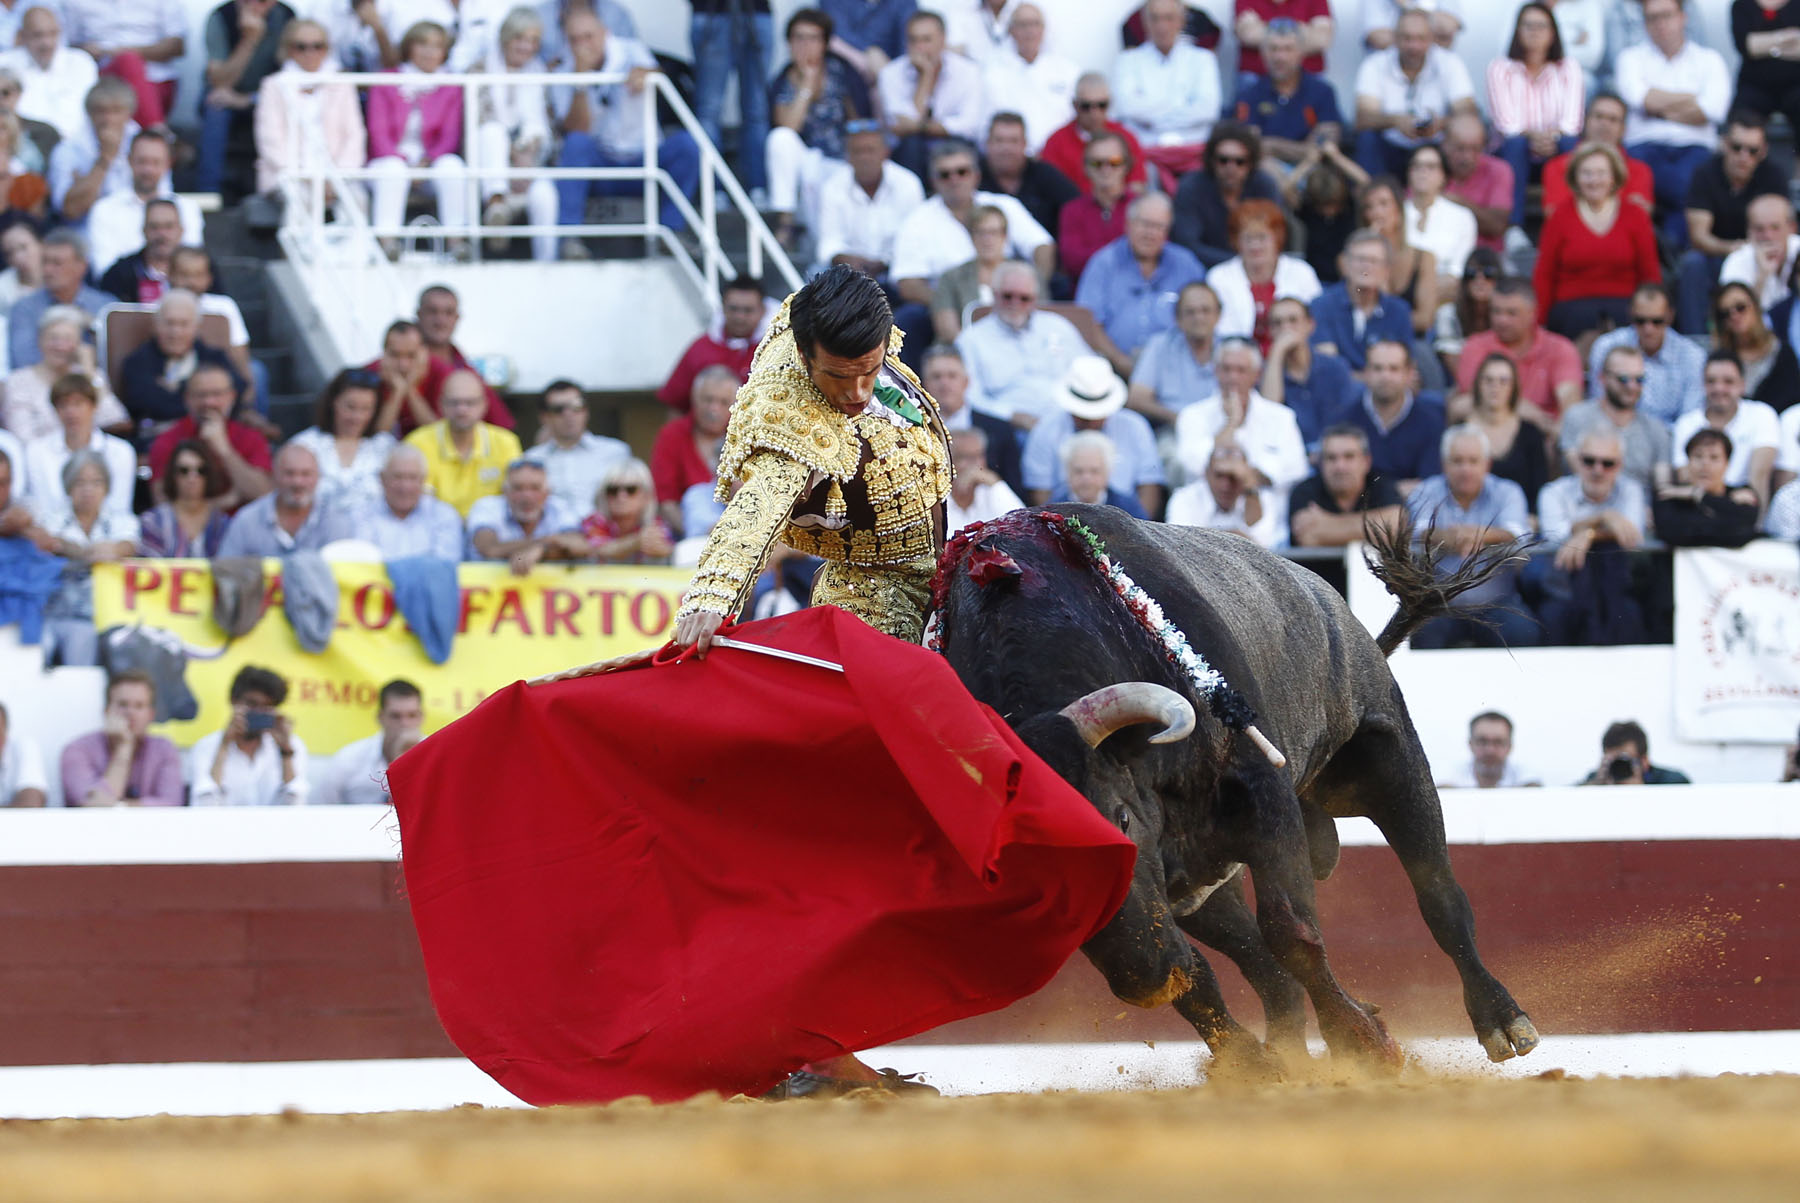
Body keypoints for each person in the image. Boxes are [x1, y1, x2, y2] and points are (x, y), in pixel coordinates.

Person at [673, 264, 951, 650]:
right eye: (838, 376)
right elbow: (760, 503)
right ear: (805, 358)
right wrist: (711, 598)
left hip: (938, 568)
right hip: (871, 598)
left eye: (868, 372)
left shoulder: (846, 327)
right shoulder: (792, 414)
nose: (856, 393)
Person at [550, 6, 700, 255]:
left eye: (588, 36)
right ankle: (570, 238)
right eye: (575, 39)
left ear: (604, 33)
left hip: (644, 159)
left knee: (686, 145)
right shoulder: (563, 67)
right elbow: (577, 129)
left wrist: (647, 73)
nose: (582, 45)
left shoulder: (630, 50)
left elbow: (659, 74)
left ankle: (671, 232)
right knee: (576, 143)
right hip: (602, 165)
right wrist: (580, 82)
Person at [891, 140, 1054, 337]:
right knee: (910, 317)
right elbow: (907, 283)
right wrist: (951, 301)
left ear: (976, 175)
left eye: (962, 172)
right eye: (945, 174)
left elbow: (1042, 245)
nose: (954, 179)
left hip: (1012, 294)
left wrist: (1031, 286)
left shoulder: (1004, 205)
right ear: (933, 181)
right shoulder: (917, 220)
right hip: (945, 304)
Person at [1405, 424, 1536, 649]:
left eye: (1473, 461)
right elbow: (1415, 533)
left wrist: (1480, 535)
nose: (1465, 469)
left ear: (1487, 464)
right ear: (1444, 465)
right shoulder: (1426, 490)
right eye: (1457, 461)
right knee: (1421, 637)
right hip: (1439, 604)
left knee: (1524, 633)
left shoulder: (1507, 491)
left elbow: (1520, 534)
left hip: (1497, 603)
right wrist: (1447, 535)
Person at [1616, 0, 1730, 247]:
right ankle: (1662, 251)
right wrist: (1691, 99)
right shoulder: (1630, 57)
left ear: (1683, 17)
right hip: (1643, 147)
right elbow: (1639, 98)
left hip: (1695, 148)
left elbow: (1713, 110)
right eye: (1652, 18)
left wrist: (1658, 107)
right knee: (1664, 190)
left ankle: (1666, 252)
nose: (1660, 24)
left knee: (1690, 188)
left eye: (1666, 15)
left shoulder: (1709, 59)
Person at [764, 6, 871, 246]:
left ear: (825, 43)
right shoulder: (782, 80)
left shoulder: (842, 72)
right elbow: (788, 126)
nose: (805, 45)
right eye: (799, 38)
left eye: (813, 38)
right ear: (789, 42)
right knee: (780, 139)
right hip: (803, 164)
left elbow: (860, 120)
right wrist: (807, 84)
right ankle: (786, 220)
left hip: (841, 160)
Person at [1532, 141, 1660, 339]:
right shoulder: (1559, 217)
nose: (1594, 180)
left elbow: (1649, 271)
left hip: (1624, 306)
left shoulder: (1635, 215)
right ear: (1575, 177)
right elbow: (1545, 274)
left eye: (1601, 173)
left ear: (1613, 176)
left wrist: (1652, 311)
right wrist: (1538, 324)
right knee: (1582, 319)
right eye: (1586, 173)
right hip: (1571, 307)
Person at [1674, 110, 1786, 335]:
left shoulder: (1773, 176)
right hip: (1717, 256)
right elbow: (1698, 237)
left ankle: (1778, 340)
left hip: (1761, 255)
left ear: (1763, 151)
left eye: (1752, 150)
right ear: (1725, 144)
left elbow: (1781, 229)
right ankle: (1697, 339)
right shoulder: (1705, 173)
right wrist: (1735, 248)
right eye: (1737, 147)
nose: (1743, 156)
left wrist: (1753, 252)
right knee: (1692, 264)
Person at [1535, 427, 1648, 644]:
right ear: (1577, 461)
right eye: (1589, 461)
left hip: (1616, 595)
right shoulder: (1553, 492)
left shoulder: (1631, 489)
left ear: (1620, 465)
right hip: (1563, 593)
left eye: (1608, 463)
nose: (1598, 470)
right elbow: (1555, 536)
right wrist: (1603, 518)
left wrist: (1588, 535)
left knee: (1631, 615)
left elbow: (1632, 534)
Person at [1074, 191, 1205, 377]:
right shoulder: (1104, 264)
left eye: (1159, 227)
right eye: (1145, 224)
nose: (1150, 233)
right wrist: (1121, 362)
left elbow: (1204, 316)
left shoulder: (1186, 265)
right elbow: (1089, 322)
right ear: (1128, 225)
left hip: (1174, 372)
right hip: (1114, 371)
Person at [366, 21, 468, 258]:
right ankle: (387, 242)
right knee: (393, 170)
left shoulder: (450, 84)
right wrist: (404, 162)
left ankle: (457, 242)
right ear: (409, 47)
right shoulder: (386, 80)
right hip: (387, 160)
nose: (429, 52)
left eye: (437, 46)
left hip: (429, 162)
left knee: (453, 167)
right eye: (423, 44)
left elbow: (450, 134)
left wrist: (426, 162)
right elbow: (378, 133)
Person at [1021, 353, 1165, 514]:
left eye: (1097, 415)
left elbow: (1149, 485)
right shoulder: (1047, 429)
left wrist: (1137, 527)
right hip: (1064, 514)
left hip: (1126, 516)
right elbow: (1040, 491)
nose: (1090, 420)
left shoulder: (1135, 426)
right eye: (1082, 415)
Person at [32, 449, 136, 665]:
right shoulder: (50, 519)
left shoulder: (122, 521)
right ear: (69, 487)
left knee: (82, 645)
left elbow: (130, 545)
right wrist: (87, 553)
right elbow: (47, 542)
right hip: (52, 611)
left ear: (106, 488)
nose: (88, 490)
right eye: (80, 483)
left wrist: (67, 548)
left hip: (104, 613)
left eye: (96, 482)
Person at [470, 5, 557, 261]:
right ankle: (496, 204)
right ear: (506, 37)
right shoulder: (479, 69)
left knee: (545, 194)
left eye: (533, 40)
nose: (526, 47)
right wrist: (514, 158)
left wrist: (527, 158)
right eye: (520, 38)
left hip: (528, 162)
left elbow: (545, 126)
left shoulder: (541, 74)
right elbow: (480, 118)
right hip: (486, 158)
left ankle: (548, 262)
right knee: (493, 132)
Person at [956, 261, 1087, 428]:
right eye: (1007, 296)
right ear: (995, 295)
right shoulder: (971, 339)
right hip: (1009, 427)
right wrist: (1010, 415)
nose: (1015, 304)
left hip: (1068, 419)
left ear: (1035, 300)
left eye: (1024, 298)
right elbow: (968, 395)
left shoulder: (1059, 327)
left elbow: (1089, 369)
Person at [1489, 3, 1584, 232]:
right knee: (1515, 143)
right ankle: (1514, 229)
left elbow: (1571, 123)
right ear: (1517, 31)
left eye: (1541, 26)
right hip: (1515, 152)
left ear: (1553, 33)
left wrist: (1547, 138)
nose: (1534, 32)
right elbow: (1506, 123)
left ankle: (1567, 224)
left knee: (1570, 143)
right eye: (1528, 26)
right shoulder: (1500, 68)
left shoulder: (1568, 68)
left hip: (1556, 147)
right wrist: (1536, 137)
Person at [1352, 8, 1478, 180]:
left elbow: (1468, 113)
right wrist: (1395, 121)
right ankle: (1372, 197)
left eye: (1421, 38)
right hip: (1390, 147)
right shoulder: (1374, 64)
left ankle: (1454, 200)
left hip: (1437, 148)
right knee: (1367, 138)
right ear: (1395, 38)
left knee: (1465, 136)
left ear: (1432, 38)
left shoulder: (1450, 63)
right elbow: (1362, 118)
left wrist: (1441, 124)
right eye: (1407, 38)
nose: (1414, 46)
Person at [1174, 337, 1307, 496]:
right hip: (1205, 514)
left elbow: (1297, 467)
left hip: (1268, 514)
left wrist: (1246, 475)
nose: (1233, 378)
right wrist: (1231, 425)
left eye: (1241, 370)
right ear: (1216, 371)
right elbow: (1191, 465)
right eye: (1226, 369)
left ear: (1256, 375)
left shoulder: (1281, 417)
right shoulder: (1192, 415)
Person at [254, 18, 366, 204]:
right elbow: (270, 140)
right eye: (301, 46)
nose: (310, 53)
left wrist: (336, 178)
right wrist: (305, 178)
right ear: (289, 49)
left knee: (357, 200)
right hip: (288, 175)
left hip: (336, 175)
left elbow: (354, 135)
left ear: (327, 49)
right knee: (300, 200)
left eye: (318, 46)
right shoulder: (274, 85)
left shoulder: (341, 84)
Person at [1110, 0, 1222, 180]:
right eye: (1155, 19)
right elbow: (1127, 107)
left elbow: (1208, 110)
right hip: (1145, 153)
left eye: (1169, 18)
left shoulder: (1203, 59)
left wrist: (1152, 117)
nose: (1162, 26)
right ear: (1145, 23)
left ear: (1181, 21)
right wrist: (1181, 106)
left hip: (1194, 152)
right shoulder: (1127, 60)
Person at [1451, 278, 1582, 424]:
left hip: (1544, 438)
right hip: (1490, 430)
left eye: (1511, 313)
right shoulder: (1474, 346)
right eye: (1496, 311)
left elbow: (1570, 401)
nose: (1502, 320)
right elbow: (1478, 399)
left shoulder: (1560, 348)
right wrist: (1536, 417)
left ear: (1533, 313)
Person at [810, 118, 925, 283]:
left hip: (897, 271)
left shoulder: (908, 184)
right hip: (847, 274)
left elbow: (915, 240)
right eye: (858, 151)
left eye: (870, 150)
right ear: (848, 156)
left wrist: (884, 263)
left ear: (885, 152)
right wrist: (846, 259)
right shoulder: (833, 187)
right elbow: (829, 242)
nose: (864, 157)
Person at [199, 0, 295, 197]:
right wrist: (250, 40)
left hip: (268, 97)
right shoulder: (220, 17)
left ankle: (284, 188)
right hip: (227, 96)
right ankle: (208, 194)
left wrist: (248, 99)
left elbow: (292, 78)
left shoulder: (286, 16)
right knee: (215, 108)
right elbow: (220, 82)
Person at [876, 10, 984, 179]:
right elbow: (898, 127)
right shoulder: (891, 74)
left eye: (926, 40)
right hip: (910, 151)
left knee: (962, 150)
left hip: (954, 143)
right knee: (910, 145)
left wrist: (921, 127)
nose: (920, 47)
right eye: (913, 40)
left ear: (942, 40)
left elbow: (970, 125)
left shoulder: (968, 71)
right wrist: (925, 78)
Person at [403, 368, 524, 518]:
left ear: (484, 405)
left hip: (489, 529)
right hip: (436, 528)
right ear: (441, 404)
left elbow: (517, 497)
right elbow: (418, 505)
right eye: (454, 402)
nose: (462, 410)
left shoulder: (505, 442)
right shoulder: (417, 442)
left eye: (470, 402)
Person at [146, 363, 271, 507]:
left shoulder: (251, 438)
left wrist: (224, 449)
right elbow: (163, 504)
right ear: (187, 398)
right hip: (187, 529)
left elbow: (262, 495)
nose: (209, 402)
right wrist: (224, 502)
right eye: (201, 395)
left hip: (241, 527)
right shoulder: (167, 440)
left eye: (217, 394)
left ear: (232, 396)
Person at [117, 289, 246, 428]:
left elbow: (237, 391)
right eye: (169, 323)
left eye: (184, 324)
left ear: (196, 328)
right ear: (156, 326)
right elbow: (146, 403)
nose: (176, 332)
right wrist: (201, 399)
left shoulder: (215, 358)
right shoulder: (138, 362)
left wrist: (174, 391)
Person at [1232, 17, 1342, 178]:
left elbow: (1323, 148)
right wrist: (1301, 149)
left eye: (1288, 49)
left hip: (1311, 171)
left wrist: (1272, 145)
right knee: (1265, 170)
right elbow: (1250, 147)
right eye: (1273, 49)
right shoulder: (1249, 94)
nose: (1280, 57)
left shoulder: (1322, 92)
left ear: (1301, 52)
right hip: (1265, 171)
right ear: (1263, 53)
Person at [1, 305, 126, 444]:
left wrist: (89, 372)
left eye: (68, 339)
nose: (60, 346)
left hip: (87, 458)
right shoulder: (18, 381)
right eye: (53, 338)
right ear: (39, 340)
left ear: (79, 344)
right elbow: (23, 438)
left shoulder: (88, 374)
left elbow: (114, 419)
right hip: (40, 460)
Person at [1669, 351, 1779, 509]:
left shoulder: (1762, 415)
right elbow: (1686, 478)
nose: (1719, 388)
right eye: (1711, 381)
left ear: (1742, 385)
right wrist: (1728, 500)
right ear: (1703, 384)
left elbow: (1759, 478)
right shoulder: (1686, 424)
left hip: (1745, 509)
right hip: (1699, 511)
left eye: (1728, 381)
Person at [1584, 282, 1705, 426]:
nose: (1648, 329)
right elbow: (1599, 405)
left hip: (1671, 440)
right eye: (1640, 321)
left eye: (1657, 321)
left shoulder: (1692, 356)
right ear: (1631, 314)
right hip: (1615, 435)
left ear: (1670, 317)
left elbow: (1689, 421)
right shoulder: (1607, 346)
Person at [59, 669, 183, 806]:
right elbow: (94, 806)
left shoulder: (164, 749)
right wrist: (124, 746)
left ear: (151, 715)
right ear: (106, 711)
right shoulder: (78, 750)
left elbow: (172, 804)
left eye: (139, 706)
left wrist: (119, 806)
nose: (130, 713)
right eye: (123, 704)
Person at [1558, 344, 1671, 494]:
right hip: (1586, 507)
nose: (1632, 386)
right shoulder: (1578, 417)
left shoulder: (1656, 429)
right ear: (1602, 378)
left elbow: (1662, 486)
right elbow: (1582, 475)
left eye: (1639, 379)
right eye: (1623, 379)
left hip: (1639, 513)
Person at [1171, 121, 1286, 270]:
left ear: (1250, 164)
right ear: (1212, 160)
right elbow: (1187, 244)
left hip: (1258, 270)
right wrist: (1237, 264)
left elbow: (1275, 236)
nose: (1231, 168)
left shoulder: (1264, 185)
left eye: (1240, 161)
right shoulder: (1192, 187)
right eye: (1223, 160)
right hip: (1204, 269)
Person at [190, 665, 310, 806]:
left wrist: (285, 752)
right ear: (234, 700)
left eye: (266, 707)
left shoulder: (293, 746)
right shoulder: (207, 746)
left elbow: (296, 806)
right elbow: (204, 807)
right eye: (252, 704)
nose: (258, 712)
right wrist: (224, 745)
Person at [285, 366, 397, 518]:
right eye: (350, 407)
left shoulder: (386, 447)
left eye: (366, 409)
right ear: (334, 402)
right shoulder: (304, 445)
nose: (357, 417)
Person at [689, 0, 772, 199]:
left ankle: (758, 187)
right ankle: (713, 189)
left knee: (757, 110)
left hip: (756, 11)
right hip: (712, 12)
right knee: (709, 110)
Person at [22, 373, 134, 519]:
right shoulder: (36, 451)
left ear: (94, 406)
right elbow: (42, 508)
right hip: (53, 537)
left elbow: (119, 508)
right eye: (63, 405)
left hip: (108, 537)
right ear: (55, 410)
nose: (71, 412)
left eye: (78, 403)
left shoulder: (121, 452)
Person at [216, 441, 355, 557]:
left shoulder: (336, 521)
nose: (298, 482)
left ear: (318, 477)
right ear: (274, 475)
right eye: (289, 473)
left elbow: (345, 576)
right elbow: (227, 571)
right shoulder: (247, 520)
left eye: (306, 474)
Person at [1259, 297, 1359, 455]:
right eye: (1277, 323)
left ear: (1310, 325)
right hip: (1290, 457)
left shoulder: (1335, 368)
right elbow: (1269, 413)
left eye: (1293, 320)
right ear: (1270, 331)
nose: (1286, 328)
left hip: (1333, 456)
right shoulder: (1266, 373)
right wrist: (1277, 353)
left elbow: (1349, 419)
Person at [1309, 229, 1414, 376]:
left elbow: (1405, 371)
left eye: (1374, 261)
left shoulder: (1399, 311)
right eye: (1360, 259)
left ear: (1387, 270)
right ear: (1344, 264)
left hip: (1383, 395)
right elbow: (1327, 369)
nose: (1366, 267)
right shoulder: (1322, 306)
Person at [922, 344, 1022, 496]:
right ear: (924, 384)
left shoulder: (999, 430)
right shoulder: (912, 428)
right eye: (936, 376)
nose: (944, 383)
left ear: (966, 382)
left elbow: (1017, 492)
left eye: (952, 376)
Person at [46, 76, 145, 228]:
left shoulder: (146, 145)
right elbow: (70, 210)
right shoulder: (67, 150)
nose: (108, 119)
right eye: (101, 111)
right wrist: (105, 159)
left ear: (129, 113)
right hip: (84, 233)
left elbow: (158, 197)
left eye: (116, 111)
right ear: (89, 114)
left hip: (135, 228)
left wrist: (83, 183)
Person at [522, 378, 629, 516]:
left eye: (576, 406)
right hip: (553, 536)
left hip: (607, 535)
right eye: (558, 409)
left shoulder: (616, 452)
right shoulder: (531, 459)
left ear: (586, 411)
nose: (568, 414)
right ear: (544, 417)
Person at [6, 228, 110, 371]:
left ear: (81, 267)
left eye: (57, 263)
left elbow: (115, 362)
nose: (48, 270)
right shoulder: (24, 308)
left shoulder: (105, 307)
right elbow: (23, 362)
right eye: (45, 262)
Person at [1286, 423, 1404, 547]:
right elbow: (1307, 537)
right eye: (1331, 458)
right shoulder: (1304, 490)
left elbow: (1395, 529)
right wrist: (1375, 526)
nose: (1340, 466)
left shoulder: (1381, 484)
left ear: (1366, 461)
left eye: (1349, 456)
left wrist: (1326, 524)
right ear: (1320, 463)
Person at [979, 4, 1077, 154]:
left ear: (1044, 29)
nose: (1029, 31)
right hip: (1012, 158)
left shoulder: (1067, 70)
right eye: (1022, 25)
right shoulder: (991, 70)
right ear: (1011, 30)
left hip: (1059, 155)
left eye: (1035, 24)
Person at [655, 278, 765, 411]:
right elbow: (676, 402)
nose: (739, 317)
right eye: (733, 309)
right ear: (723, 307)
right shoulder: (700, 348)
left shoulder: (774, 350)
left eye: (748, 310)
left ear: (762, 311)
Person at [1540, 91, 1652, 220]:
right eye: (1599, 116)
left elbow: (1639, 218)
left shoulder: (1640, 171)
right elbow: (1555, 216)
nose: (1605, 124)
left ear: (1623, 129)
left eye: (1613, 119)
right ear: (1585, 121)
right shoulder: (1558, 167)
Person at [651, 364, 735, 534]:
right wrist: (696, 533)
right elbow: (665, 501)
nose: (714, 408)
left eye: (723, 402)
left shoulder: (748, 436)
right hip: (685, 533)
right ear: (694, 399)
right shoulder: (672, 435)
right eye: (708, 400)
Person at [1360, 174, 1440, 351]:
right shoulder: (1351, 261)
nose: (1376, 213)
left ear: (1399, 210)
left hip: (1411, 342)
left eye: (1383, 204)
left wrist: (1389, 319)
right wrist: (1373, 253)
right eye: (1369, 207)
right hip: (1366, 341)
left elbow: (1425, 318)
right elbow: (1364, 302)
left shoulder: (1424, 258)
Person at [1126, 279, 1219, 429]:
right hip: (1171, 431)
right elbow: (1136, 398)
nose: (1199, 318)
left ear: (1218, 315)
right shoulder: (1159, 345)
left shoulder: (1232, 349)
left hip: (1219, 430)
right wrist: (1179, 419)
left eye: (1205, 310)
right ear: (1178, 318)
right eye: (1190, 312)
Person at [1039, 71, 1150, 197]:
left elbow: (1137, 187)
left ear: (1110, 104)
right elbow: (1049, 190)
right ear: (1075, 105)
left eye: (1101, 105)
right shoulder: (1056, 142)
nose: (1094, 113)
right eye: (1086, 106)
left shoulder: (1127, 138)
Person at [976, 110, 1078, 246]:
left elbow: (1076, 208)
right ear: (987, 144)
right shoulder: (971, 176)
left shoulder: (1044, 174)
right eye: (999, 140)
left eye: (1013, 141)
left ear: (1024, 144)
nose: (1006, 148)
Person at [414, 284, 510, 426]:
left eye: (448, 313)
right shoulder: (397, 364)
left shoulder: (465, 369)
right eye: (432, 312)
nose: (440, 321)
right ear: (419, 314)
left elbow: (500, 424)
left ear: (457, 318)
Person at [93, 178, 201, 305]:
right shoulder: (120, 273)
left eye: (168, 226)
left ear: (181, 231)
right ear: (144, 231)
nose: (162, 234)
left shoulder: (201, 271)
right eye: (154, 227)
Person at [467, 457, 583, 574]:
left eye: (535, 488)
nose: (527, 496)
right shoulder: (487, 506)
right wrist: (547, 542)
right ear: (505, 491)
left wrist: (542, 550)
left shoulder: (559, 507)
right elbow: (490, 548)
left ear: (548, 492)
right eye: (518, 488)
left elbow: (579, 546)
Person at [319, 678, 424, 806]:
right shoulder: (349, 758)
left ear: (421, 717)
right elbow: (322, 808)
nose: (404, 724)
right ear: (380, 717)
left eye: (412, 715)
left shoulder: (439, 757)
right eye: (395, 716)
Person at [2, 6, 97, 143]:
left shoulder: (81, 62)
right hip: (27, 145)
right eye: (38, 35)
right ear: (21, 36)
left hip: (74, 145)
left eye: (52, 34)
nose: (46, 43)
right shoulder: (5, 63)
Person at [1655, 427, 1761, 547]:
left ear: (1727, 464)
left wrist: (1699, 495)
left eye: (1714, 457)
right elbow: (1674, 534)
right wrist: (1728, 506)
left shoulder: (1744, 492)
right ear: (1688, 462)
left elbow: (1743, 530)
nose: (1705, 464)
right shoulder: (1670, 496)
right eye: (1698, 456)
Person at [360, 442, 465, 561]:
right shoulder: (363, 515)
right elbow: (364, 564)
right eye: (397, 477)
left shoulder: (444, 515)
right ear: (382, 479)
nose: (405, 487)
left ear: (423, 480)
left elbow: (444, 567)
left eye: (412, 478)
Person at [1056, 133, 1136, 285]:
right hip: (1086, 297)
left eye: (1114, 162)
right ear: (1086, 167)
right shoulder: (1072, 210)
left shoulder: (1142, 206)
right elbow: (1072, 262)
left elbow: (1151, 255)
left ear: (1126, 165)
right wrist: (1126, 253)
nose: (1106, 169)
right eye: (1097, 163)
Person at [931, 203, 1017, 344]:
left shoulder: (1026, 276)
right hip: (963, 353)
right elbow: (947, 329)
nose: (987, 240)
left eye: (993, 232)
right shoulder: (951, 277)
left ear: (1005, 236)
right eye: (981, 233)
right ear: (971, 236)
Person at [1165, 442, 1279, 544]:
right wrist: (1235, 538)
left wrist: (1251, 490)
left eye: (1233, 477)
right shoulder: (1185, 497)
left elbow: (1264, 547)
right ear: (1206, 473)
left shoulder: (1263, 499)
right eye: (1219, 476)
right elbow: (1178, 543)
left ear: (1246, 475)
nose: (1225, 486)